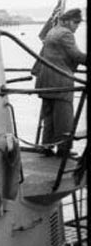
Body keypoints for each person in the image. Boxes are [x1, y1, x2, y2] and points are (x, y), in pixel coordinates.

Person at [34, 8, 86, 157]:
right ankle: (63, 151)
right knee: (64, 118)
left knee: (49, 117)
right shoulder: (66, 33)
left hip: (45, 81)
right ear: (67, 21)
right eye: (75, 22)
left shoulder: (52, 31)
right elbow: (76, 55)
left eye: (78, 23)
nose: (77, 26)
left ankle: (46, 147)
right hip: (60, 82)